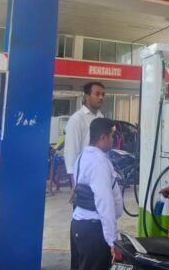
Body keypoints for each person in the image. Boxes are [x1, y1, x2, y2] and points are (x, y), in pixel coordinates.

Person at [71, 118, 123, 270]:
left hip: (81, 225)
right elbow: (104, 202)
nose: (113, 140)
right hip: (94, 229)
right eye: (111, 136)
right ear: (103, 138)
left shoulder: (82, 157)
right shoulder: (98, 162)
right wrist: (111, 240)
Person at [64, 81, 105, 269]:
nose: (100, 97)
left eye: (102, 94)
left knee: (97, 229)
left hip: (99, 182)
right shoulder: (77, 119)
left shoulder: (101, 118)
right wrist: (75, 186)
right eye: (97, 94)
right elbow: (71, 154)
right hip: (83, 186)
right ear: (86, 96)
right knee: (82, 229)